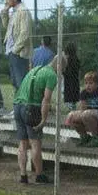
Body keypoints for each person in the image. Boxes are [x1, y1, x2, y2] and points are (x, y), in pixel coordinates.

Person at [13, 55, 64, 184]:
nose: (62, 72)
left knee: (22, 144)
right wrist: (43, 119)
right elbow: (46, 99)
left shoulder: (36, 69)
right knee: (35, 143)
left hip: (18, 106)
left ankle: (23, 175)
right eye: (63, 69)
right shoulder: (52, 75)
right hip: (32, 108)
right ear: (59, 65)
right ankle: (39, 175)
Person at [65, 71, 98, 148]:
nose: (88, 86)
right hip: (89, 116)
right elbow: (83, 109)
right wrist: (74, 115)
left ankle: (96, 138)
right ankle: (84, 137)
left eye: (90, 83)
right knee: (73, 116)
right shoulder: (84, 93)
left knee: (86, 114)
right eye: (86, 83)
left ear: (96, 84)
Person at [3, 0, 32, 93]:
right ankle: (18, 108)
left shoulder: (23, 11)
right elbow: (6, 27)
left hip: (19, 53)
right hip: (11, 52)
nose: (6, 0)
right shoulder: (14, 11)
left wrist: (15, 50)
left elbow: (25, 33)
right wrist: (5, 12)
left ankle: (24, 109)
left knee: (21, 82)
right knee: (15, 82)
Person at [62, 43, 80, 108]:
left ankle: (71, 108)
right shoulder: (77, 59)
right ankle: (73, 107)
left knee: (69, 97)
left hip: (68, 81)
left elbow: (66, 72)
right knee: (73, 98)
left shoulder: (68, 60)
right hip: (75, 80)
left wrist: (63, 72)